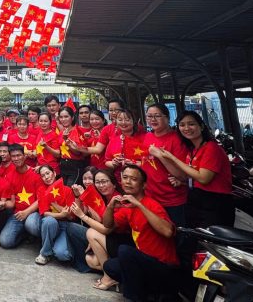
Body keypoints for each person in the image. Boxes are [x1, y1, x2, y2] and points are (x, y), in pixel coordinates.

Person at [100, 165, 180, 301]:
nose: (128, 182)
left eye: (133, 179)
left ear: (143, 185)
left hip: (164, 267)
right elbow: (108, 225)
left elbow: (168, 231)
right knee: (110, 266)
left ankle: (136, 297)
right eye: (125, 177)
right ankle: (147, 293)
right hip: (144, 263)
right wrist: (110, 206)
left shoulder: (151, 204)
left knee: (125, 251)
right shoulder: (127, 206)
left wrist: (139, 205)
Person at [149, 110, 233, 228]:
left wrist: (171, 157)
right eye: (182, 125)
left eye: (191, 124)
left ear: (201, 126)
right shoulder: (193, 150)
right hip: (197, 200)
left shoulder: (211, 148)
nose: (186, 128)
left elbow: (204, 178)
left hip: (215, 203)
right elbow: (195, 177)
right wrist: (183, 182)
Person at [69, 169, 126, 289]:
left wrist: (83, 216)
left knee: (90, 232)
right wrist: (79, 196)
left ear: (114, 183)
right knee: (90, 260)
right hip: (109, 238)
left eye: (104, 181)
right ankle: (117, 274)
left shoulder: (118, 200)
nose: (101, 185)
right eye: (98, 182)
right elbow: (97, 218)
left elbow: (106, 229)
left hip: (121, 241)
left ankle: (109, 276)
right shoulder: (101, 196)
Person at [141, 103, 188, 226]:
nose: (153, 119)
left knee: (176, 233)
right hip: (150, 198)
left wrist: (161, 156)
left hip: (172, 200)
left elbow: (182, 175)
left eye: (157, 116)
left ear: (167, 118)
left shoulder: (177, 139)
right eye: (149, 116)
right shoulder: (148, 136)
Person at [0, 144, 41, 249]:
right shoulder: (9, 176)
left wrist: (26, 212)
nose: (16, 158)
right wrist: (1, 203)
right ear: (10, 158)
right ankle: (24, 234)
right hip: (17, 214)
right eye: (13, 156)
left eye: (18, 155)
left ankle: (33, 233)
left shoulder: (36, 174)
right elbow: (10, 201)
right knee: (5, 242)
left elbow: (41, 199)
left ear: (24, 156)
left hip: (33, 213)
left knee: (32, 225)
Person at [35, 164, 75, 265]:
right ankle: (45, 254)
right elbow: (45, 213)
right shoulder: (41, 190)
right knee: (49, 221)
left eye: (48, 173)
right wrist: (61, 214)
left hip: (65, 226)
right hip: (50, 223)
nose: (46, 177)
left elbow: (71, 216)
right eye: (43, 175)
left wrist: (55, 205)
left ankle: (53, 244)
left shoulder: (67, 190)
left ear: (54, 173)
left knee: (63, 255)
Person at [57, 106, 88, 186]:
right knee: (64, 190)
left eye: (66, 116)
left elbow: (78, 153)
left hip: (75, 166)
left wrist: (67, 142)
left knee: (70, 189)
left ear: (72, 117)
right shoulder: (61, 133)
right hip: (63, 165)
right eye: (61, 117)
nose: (63, 119)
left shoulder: (78, 131)